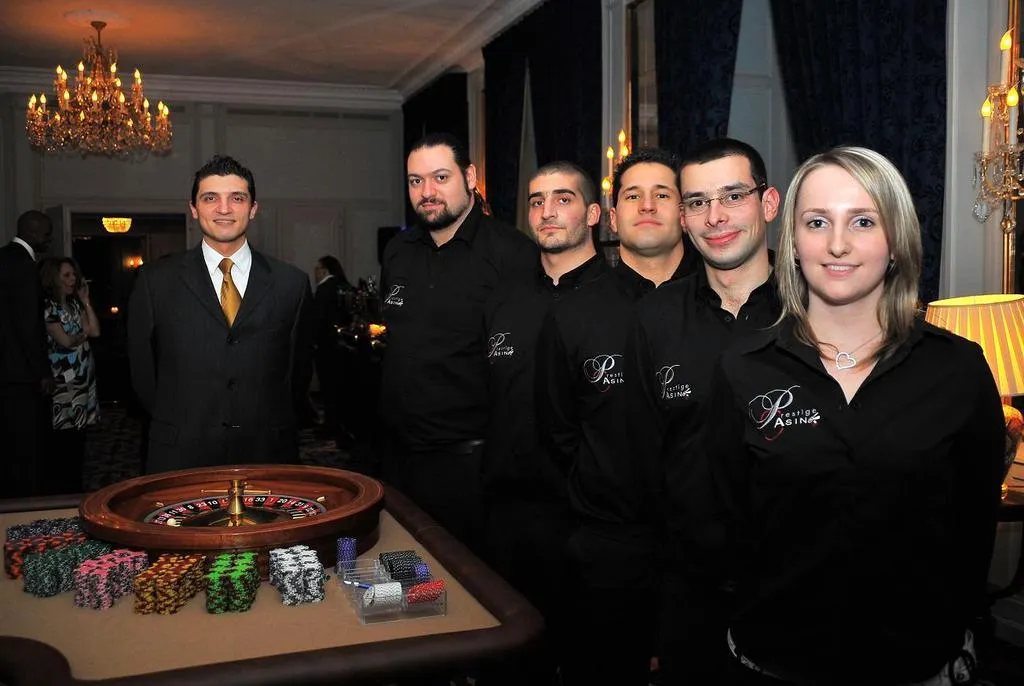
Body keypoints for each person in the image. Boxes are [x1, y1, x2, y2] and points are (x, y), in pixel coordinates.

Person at [701, 146, 1005, 685]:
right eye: (817, 222)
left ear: (896, 241)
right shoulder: (743, 369)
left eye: (863, 221)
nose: (837, 243)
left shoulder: (956, 369)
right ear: (793, 243)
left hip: (917, 664)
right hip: (774, 660)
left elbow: (973, 529)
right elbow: (722, 525)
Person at [534, 147, 699, 686]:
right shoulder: (572, 314)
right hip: (608, 548)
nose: (647, 205)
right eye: (633, 195)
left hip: (709, 551)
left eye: (662, 194)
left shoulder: (722, 307)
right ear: (611, 214)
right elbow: (558, 431)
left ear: (684, 211)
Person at [625, 138, 783, 685]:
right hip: (690, 590)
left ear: (768, 203)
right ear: (684, 218)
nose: (715, 216)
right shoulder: (654, 318)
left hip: (798, 588)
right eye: (697, 202)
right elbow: (642, 458)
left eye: (733, 196)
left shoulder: (813, 310)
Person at [379, 132, 537, 551]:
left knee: (469, 578)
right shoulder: (398, 251)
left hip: (472, 465)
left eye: (440, 177)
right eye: (416, 181)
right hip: (400, 459)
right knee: (406, 569)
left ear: (469, 177)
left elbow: (526, 369)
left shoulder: (512, 253)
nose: (427, 192)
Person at [483, 161, 608, 684]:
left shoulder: (625, 302)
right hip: (510, 516)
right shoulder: (504, 299)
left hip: (589, 522)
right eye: (536, 202)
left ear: (593, 213)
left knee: (588, 660)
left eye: (563, 199)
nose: (547, 212)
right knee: (512, 658)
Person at [127, 155, 313, 474]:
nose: (223, 209)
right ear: (194, 208)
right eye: (210, 198)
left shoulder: (291, 284)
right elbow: (143, 373)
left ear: (253, 209)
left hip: (267, 453)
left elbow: (297, 375)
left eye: (237, 198)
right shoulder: (155, 282)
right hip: (180, 454)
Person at [0, 210, 54, 497]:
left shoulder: (4, 257)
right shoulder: (24, 265)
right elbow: (28, 325)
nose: (50, 239)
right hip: (21, 372)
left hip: (6, 369)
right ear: (33, 232)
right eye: (47, 233)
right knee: (26, 444)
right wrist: (42, 371)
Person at [39, 257, 100, 494]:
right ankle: (61, 490)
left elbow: (94, 331)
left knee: (80, 436)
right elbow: (65, 340)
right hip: (63, 382)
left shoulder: (74, 305)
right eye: (66, 275)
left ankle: (75, 488)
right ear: (54, 278)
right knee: (64, 438)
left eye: (74, 274)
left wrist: (86, 302)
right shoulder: (48, 307)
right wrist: (80, 337)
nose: (73, 279)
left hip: (83, 378)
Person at [311, 254, 355, 449]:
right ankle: (341, 426)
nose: (315, 272)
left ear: (324, 270)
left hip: (326, 348)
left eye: (317, 269)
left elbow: (317, 320)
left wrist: (312, 343)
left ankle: (331, 426)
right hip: (345, 347)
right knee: (342, 389)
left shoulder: (323, 290)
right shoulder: (346, 286)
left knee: (328, 389)